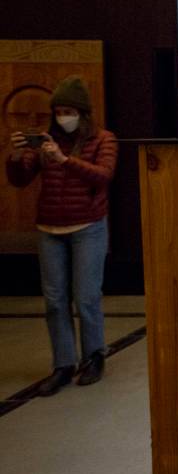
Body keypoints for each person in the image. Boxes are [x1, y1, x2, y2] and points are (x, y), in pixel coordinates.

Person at [5, 76, 118, 396]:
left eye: (69, 111)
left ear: (83, 114)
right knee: (55, 301)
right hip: (49, 228)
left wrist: (65, 161)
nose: (62, 118)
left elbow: (103, 176)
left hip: (88, 227)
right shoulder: (45, 142)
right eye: (58, 111)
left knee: (86, 297)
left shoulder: (103, 140)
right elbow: (19, 179)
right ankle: (63, 363)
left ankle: (94, 356)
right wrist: (14, 157)